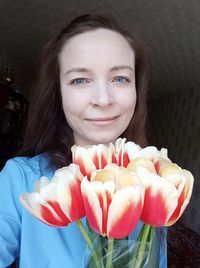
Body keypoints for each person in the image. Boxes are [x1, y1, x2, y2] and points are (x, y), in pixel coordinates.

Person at [0, 14, 167, 267]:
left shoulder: (155, 186)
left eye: (120, 78)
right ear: (59, 94)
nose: (102, 99)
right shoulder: (20, 180)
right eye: (80, 80)